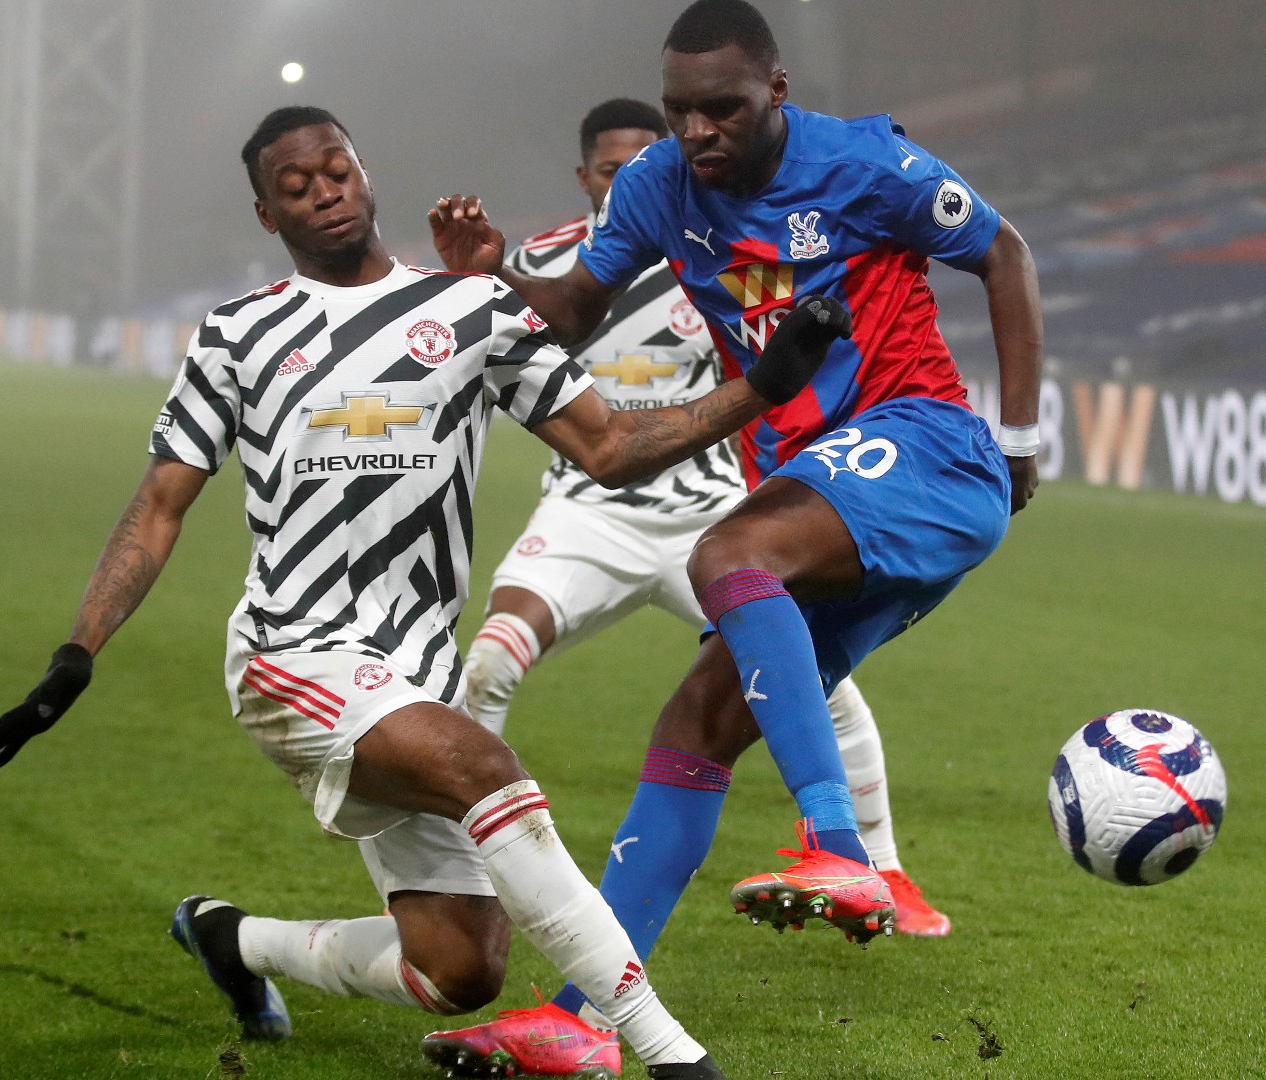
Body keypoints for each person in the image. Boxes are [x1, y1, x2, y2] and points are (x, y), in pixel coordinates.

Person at [0, 104, 847, 1080]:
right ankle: (675, 1059)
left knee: (459, 967)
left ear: (364, 170)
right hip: (291, 655)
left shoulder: (476, 311)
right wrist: (75, 654)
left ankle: (232, 940)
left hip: (408, 675)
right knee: (485, 767)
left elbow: (612, 447)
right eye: (294, 187)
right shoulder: (239, 333)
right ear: (268, 214)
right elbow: (158, 506)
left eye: (334, 170)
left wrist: (763, 383)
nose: (322, 193)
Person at [428, 0, 1043, 1063]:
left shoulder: (865, 165)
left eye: (723, 108)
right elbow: (571, 312)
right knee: (693, 723)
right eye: (681, 111)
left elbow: (1007, 254)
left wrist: (1021, 439)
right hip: (823, 495)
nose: (699, 130)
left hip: (926, 448)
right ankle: (580, 1024)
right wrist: (492, 273)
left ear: (778, 93)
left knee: (727, 552)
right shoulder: (661, 185)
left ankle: (841, 849)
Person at [463, 98, 950, 935]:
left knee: (821, 684)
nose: (633, 182)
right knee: (490, 663)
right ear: (585, 179)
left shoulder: (718, 252)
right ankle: (462, 864)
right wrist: (485, 276)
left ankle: (885, 868)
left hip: (708, 508)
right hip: (588, 512)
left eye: (645, 165)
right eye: (612, 172)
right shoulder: (541, 265)